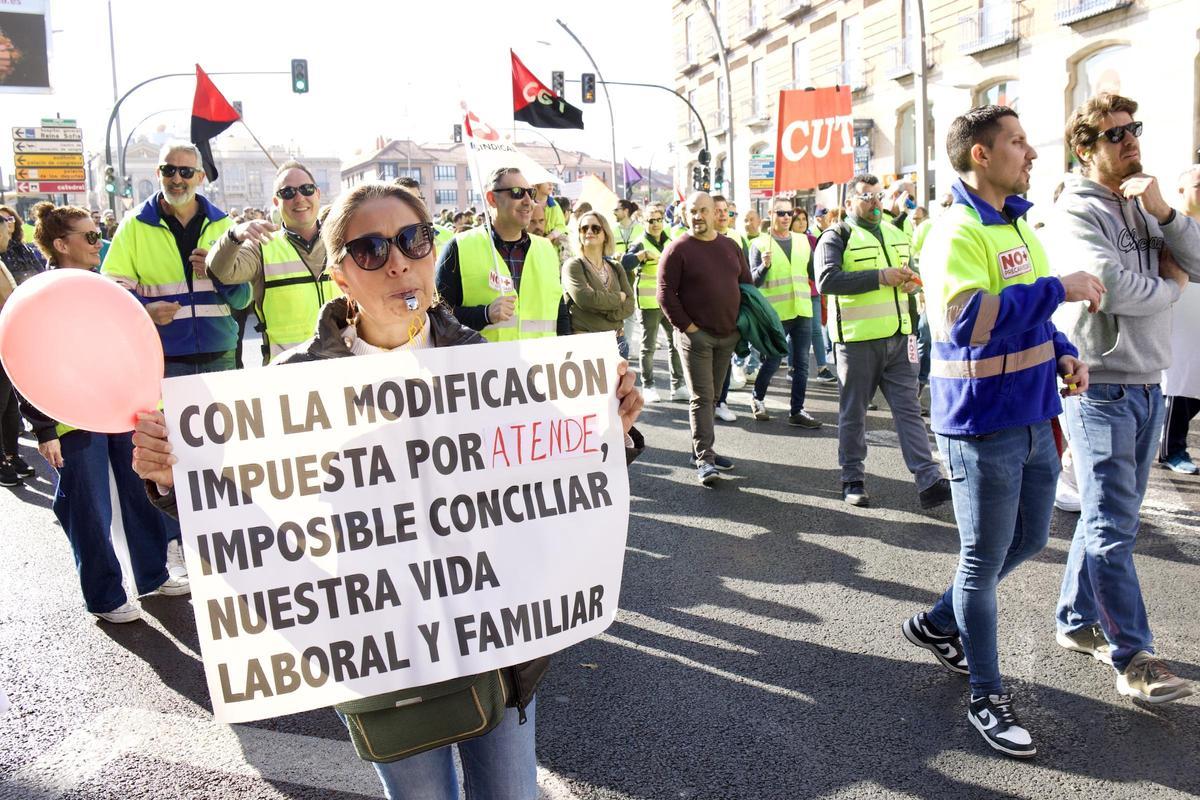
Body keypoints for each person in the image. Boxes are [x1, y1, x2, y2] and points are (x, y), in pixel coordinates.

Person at [131, 181, 644, 800]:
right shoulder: (288, 389)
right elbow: (240, 519)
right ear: (340, 275)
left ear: (432, 252)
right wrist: (171, 481)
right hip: (381, 657)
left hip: (498, 650)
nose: (398, 261)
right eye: (371, 249)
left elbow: (549, 477)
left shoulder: (487, 368)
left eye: (413, 239)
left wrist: (609, 426)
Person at [906, 105, 1104, 758]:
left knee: (1025, 540)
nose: (1033, 152)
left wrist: (1059, 351)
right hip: (980, 427)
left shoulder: (1018, 225)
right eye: (1019, 141)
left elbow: (1027, 317)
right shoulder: (953, 231)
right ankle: (986, 698)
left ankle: (938, 622)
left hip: (1032, 414)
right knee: (983, 561)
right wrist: (1059, 290)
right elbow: (967, 320)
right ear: (982, 156)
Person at [1045, 93, 1200, 705]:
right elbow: (1107, 288)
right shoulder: (1075, 211)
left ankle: (1074, 621)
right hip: (1099, 387)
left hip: (1146, 383)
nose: (1130, 139)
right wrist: (1170, 286)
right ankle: (1134, 656)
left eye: (1134, 128)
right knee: (1113, 524)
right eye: (1114, 134)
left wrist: (1164, 212)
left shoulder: (1141, 205)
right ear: (1085, 149)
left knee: (1110, 518)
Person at [23, 202, 188, 623]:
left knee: (142, 490)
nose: (101, 242)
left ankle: (152, 573)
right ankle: (104, 595)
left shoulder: (105, 287)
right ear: (62, 244)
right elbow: (24, 361)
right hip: (70, 419)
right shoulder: (41, 294)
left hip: (120, 409)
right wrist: (44, 430)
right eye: (91, 236)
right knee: (89, 509)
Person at [815, 174, 950, 508]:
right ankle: (852, 478)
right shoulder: (838, 235)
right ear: (849, 203)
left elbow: (913, 274)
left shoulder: (894, 232)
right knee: (854, 413)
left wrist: (913, 284)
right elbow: (826, 280)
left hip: (901, 338)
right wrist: (880, 277)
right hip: (858, 343)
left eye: (877, 196)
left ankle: (928, 479)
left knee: (909, 412)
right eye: (866, 197)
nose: (874, 202)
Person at [102, 142, 251, 376]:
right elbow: (112, 291)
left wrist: (217, 273)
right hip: (161, 356)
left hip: (220, 356)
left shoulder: (224, 226)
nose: (177, 179)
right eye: (168, 170)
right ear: (157, 173)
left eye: (186, 172)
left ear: (200, 177)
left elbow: (243, 299)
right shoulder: (133, 225)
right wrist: (145, 310)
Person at [658, 192, 752, 486]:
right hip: (696, 339)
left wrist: (740, 327)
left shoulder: (731, 246)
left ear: (715, 213)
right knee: (701, 397)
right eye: (692, 211)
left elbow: (746, 286)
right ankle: (705, 460)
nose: (697, 216)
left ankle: (701, 449)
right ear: (685, 215)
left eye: (703, 210)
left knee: (711, 397)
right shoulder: (677, 249)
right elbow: (664, 295)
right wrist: (690, 329)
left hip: (727, 336)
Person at [206, 160, 338, 364]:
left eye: (306, 189)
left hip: (346, 369)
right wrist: (233, 235)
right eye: (288, 193)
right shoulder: (262, 246)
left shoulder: (342, 240)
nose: (299, 198)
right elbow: (220, 272)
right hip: (287, 378)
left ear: (317, 194)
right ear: (276, 202)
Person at [436, 167, 569, 341]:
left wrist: (568, 352)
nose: (528, 201)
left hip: (541, 364)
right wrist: (483, 314)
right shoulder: (459, 247)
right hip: (485, 365)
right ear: (491, 199)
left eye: (531, 192)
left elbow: (560, 314)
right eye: (517, 192)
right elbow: (438, 316)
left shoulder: (546, 250)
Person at [747, 196, 820, 428]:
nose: (786, 217)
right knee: (774, 359)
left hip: (802, 309)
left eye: (789, 213)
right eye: (781, 213)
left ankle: (797, 410)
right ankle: (757, 399)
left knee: (802, 364)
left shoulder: (802, 241)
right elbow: (753, 282)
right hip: (776, 313)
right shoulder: (759, 243)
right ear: (771, 215)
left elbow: (814, 273)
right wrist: (763, 267)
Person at [621, 204, 686, 403]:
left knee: (675, 343)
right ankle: (649, 386)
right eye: (651, 220)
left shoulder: (671, 241)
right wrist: (640, 256)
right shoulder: (640, 243)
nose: (656, 224)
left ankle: (679, 385)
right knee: (648, 346)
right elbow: (625, 263)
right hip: (648, 301)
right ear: (644, 222)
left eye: (659, 219)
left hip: (670, 302)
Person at [1159, 164, 1200, 473]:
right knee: (1180, 382)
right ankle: (1172, 449)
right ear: (1181, 190)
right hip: (1180, 311)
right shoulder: (1170, 227)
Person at [562, 211, 635, 357]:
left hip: (618, 342)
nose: (589, 231)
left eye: (595, 228)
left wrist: (606, 311)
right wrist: (618, 298)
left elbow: (630, 304)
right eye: (584, 228)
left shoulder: (616, 266)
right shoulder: (573, 265)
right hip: (587, 344)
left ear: (605, 234)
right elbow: (587, 300)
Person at [0, 214, 34, 488]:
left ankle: (11, 454)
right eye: (3, 233)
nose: (7, 238)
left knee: (10, 406)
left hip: (9, 343)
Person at [792, 207, 835, 384]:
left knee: (816, 330)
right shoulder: (786, 241)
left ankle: (822, 368)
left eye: (804, 219)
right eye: (798, 219)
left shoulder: (812, 239)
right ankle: (791, 367)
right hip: (794, 292)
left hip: (813, 292)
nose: (802, 222)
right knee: (793, 332)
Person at [0, 203, 46, 281]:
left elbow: (40, 272)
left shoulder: (24, 248)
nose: (7, 222)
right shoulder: (2, 250)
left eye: (10, 219)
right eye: (3, 219)